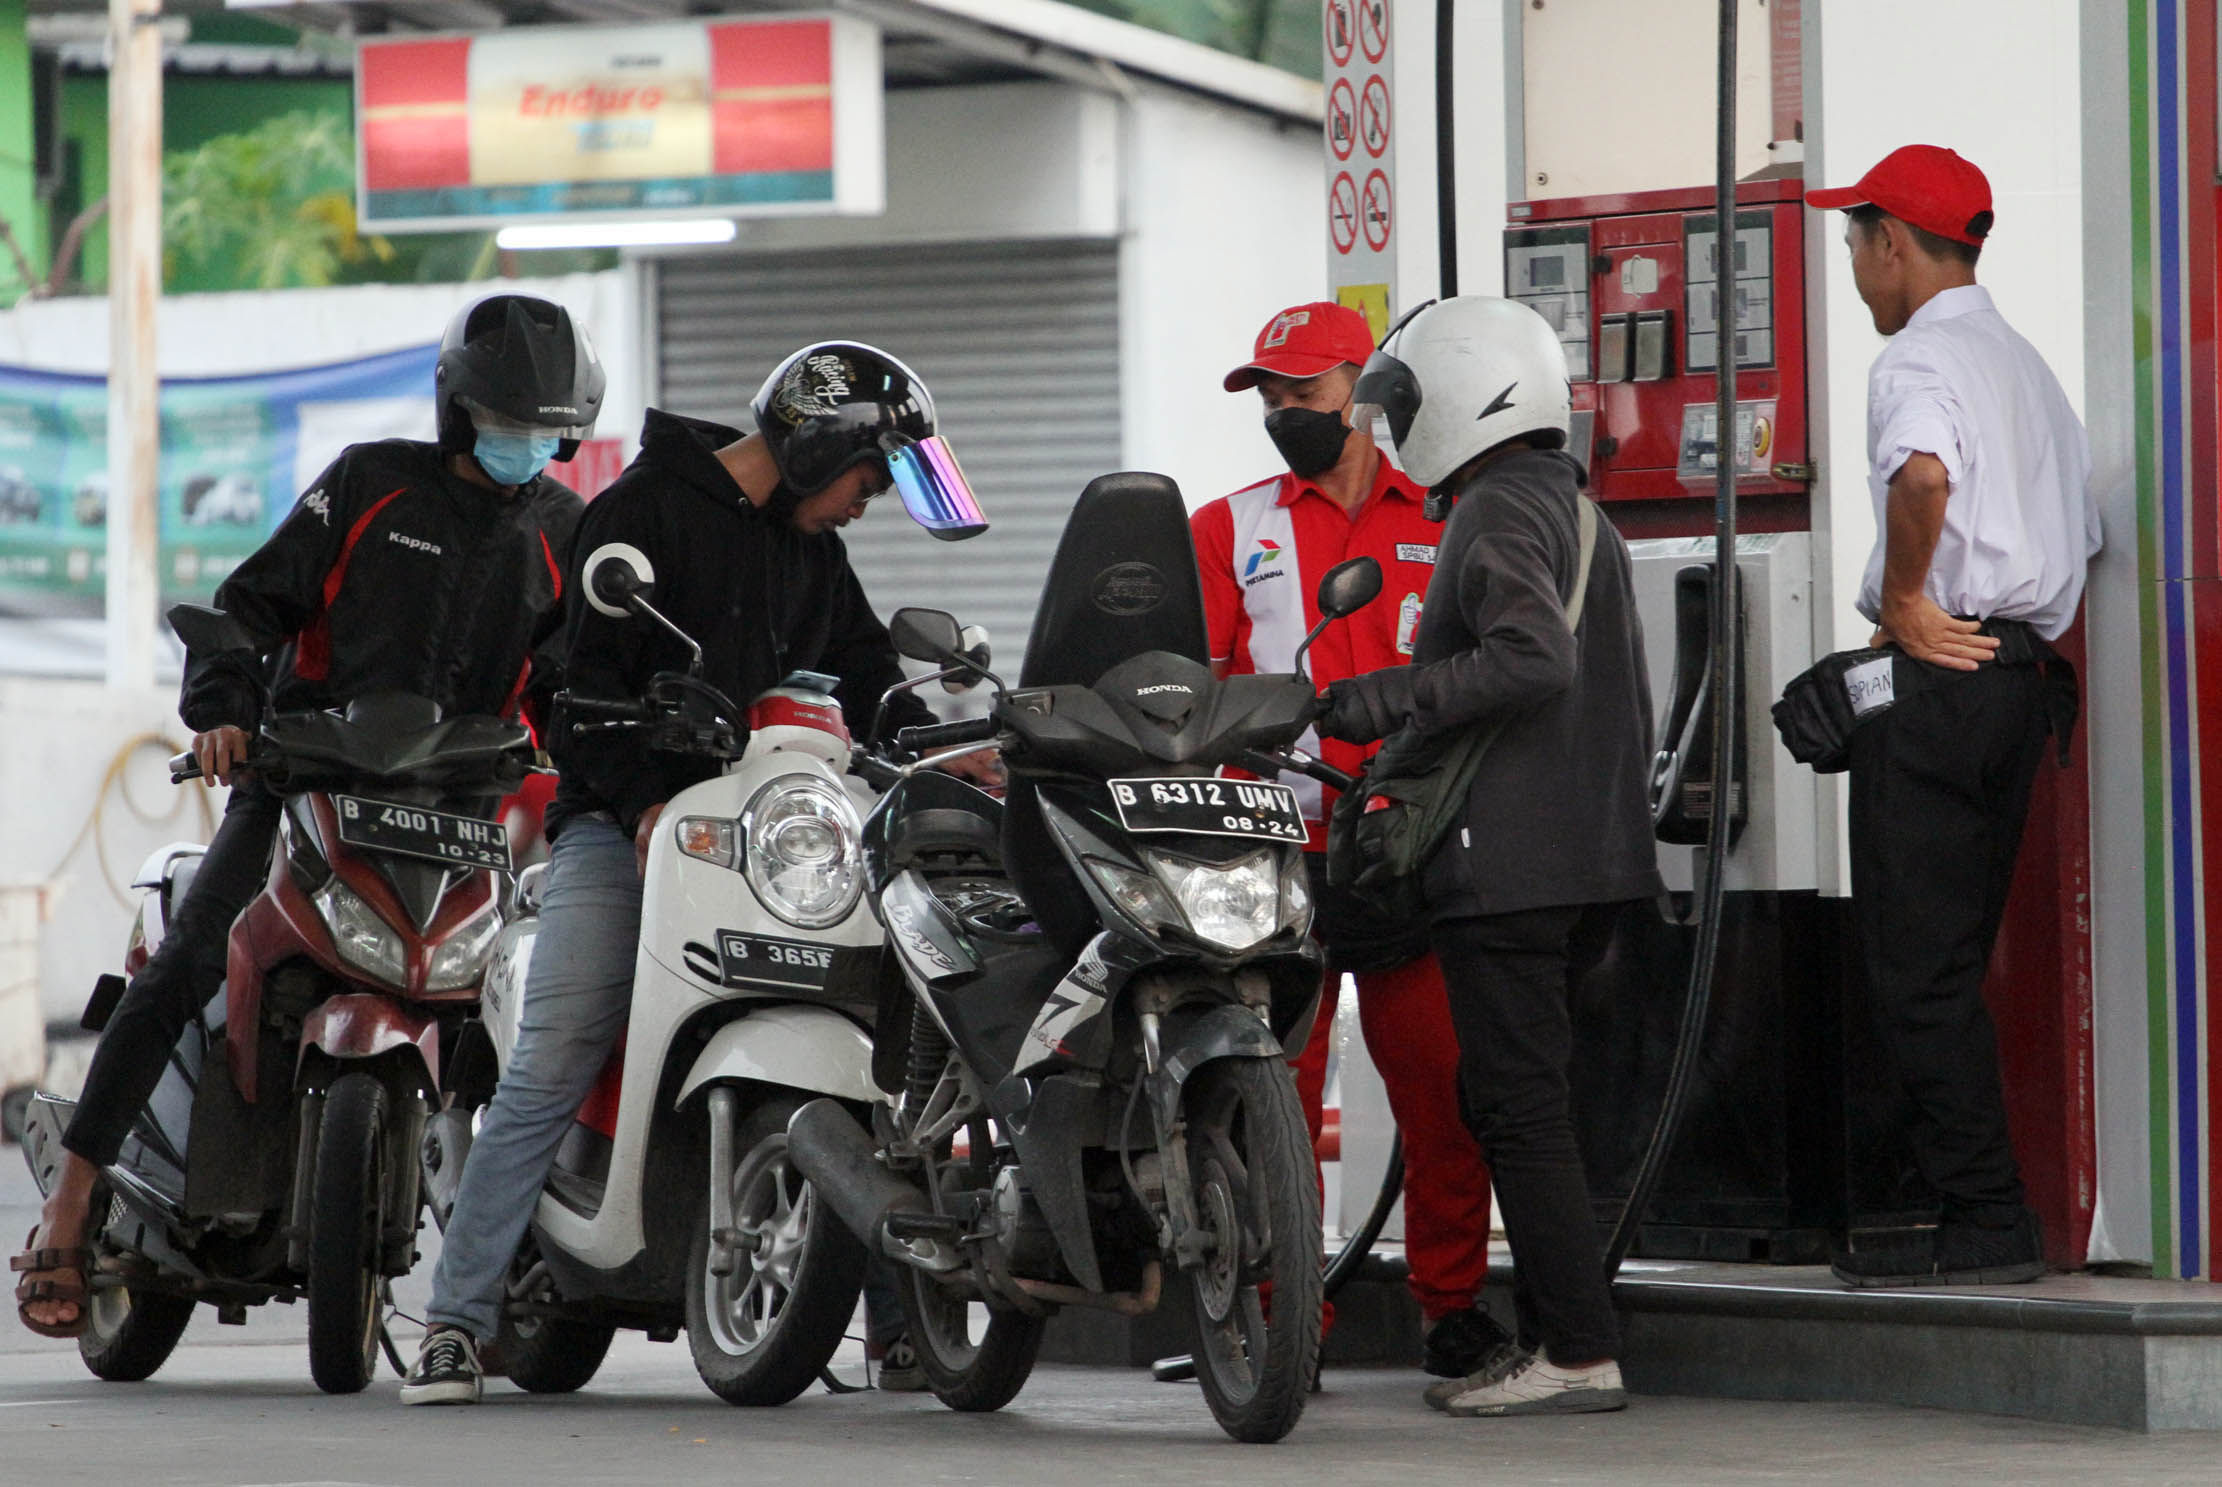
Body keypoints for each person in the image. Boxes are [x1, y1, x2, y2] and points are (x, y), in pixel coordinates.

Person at [402, 340, 999, 1405]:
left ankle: (900, 1320)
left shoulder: (809, 550)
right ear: (823, 447)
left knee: (892, 1044)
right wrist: (635, 803)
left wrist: (954, 741)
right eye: (866, 478)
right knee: (558, 1049)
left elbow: (868, 678)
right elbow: (572, 691)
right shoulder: (642, 515)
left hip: (768, 833)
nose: (866, 503)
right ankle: (455, 1319)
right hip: (625, 824)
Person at [12, 294, 602, 1338]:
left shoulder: (563, 531)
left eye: (544, 432)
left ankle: (519, 1261)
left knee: (524, 1015)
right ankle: (66, 1204)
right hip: (304, 782)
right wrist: (228, 713)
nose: (526, 448)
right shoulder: (370, 484)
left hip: (459, 816)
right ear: (459, 410)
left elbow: (565, 681)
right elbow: (249, 607)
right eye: (510, 424)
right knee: (192, 954)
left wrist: (583, 739)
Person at [1317, 295, 1661, 1417]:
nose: (1395, 426)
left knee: (1515, 1107)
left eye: (1407, 402)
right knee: (1544, 1104)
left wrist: (1384, 696)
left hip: (1505, 865)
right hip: (1596, 859)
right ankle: (1571, 1329)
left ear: (1469, 394)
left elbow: (1529, 659)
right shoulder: (1575, 510)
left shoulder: (1495, 511)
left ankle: (1571, 1348)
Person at [1189, 300, 1511, 1381]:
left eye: (1305, 393)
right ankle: (1282, 1319)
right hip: (1274, 848)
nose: (1285, 413)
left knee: (1441, 1083)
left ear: (1362, 393)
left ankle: (1452, 1306)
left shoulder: (1446, 509)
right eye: (1269, 397)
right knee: (1271, 1086)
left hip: (1408, 842)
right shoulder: (1226, 526)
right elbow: (1189, 690)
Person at [1804, 145, 2099, 1288]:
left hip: (1939, 682)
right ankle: (1959, 1208)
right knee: (1949, 959)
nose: (1851, 266)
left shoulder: (1919, 357)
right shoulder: (2023, 364)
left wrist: (1905, 602)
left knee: (1912, 970)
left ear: (1893, 242)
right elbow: (2076, 536)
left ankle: (1980, 1219)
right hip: (2017, 681)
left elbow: (1920, 477)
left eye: (1852, 242)